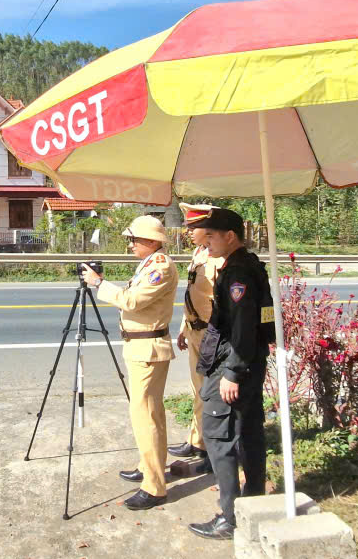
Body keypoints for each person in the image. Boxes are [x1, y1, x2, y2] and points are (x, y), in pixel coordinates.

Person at [184, 207, 275, 540]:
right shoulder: (247, 265)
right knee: (249, 433)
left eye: (210, 236)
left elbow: (242, 329)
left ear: (230, 237)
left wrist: (232, 373)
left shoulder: (237, 275)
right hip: (250, 363)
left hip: (235, 364)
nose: (205, 243)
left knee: (218, 435)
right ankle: (253, 506)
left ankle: (231, 517)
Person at [80, 214, 178, 510]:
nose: (131, 244)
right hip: (141, 348)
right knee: (148, 415)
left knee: (146, 417)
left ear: (151, 241)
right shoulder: (149, 263)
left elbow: (132, 301)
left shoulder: (159, 267)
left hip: (148, 350)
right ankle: (148, 466)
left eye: (134, 239)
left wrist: (99, 284)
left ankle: (154, 486)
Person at [170, 202, 226, 462]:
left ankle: (209, 446)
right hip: (194, 331)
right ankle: (197, 439)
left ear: (209, 228)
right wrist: (183, 328)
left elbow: (220, 303)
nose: (188, 231)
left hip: (210, 335)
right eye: (188, 226)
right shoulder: (200, 254)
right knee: (197, 389)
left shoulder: (221, 259)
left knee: (208, 391)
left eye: (194, 226)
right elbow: (194, 294)